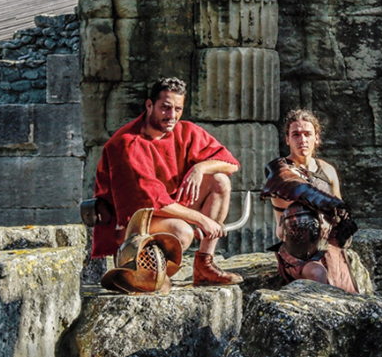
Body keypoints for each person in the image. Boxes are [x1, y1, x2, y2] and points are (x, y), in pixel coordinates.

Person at [90, 77, 243, 286]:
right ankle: (149, 272)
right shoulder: (126, 143)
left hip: (168, 208)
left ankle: (204, 264)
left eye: (178, 109)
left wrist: (200, 168)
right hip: (132, 221)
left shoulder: (187, 131)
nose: (172, 116)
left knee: (219, 180)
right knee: (182, 231)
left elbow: (231, 164)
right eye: (165, 108)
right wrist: (202, 219)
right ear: (149, 105)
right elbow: (149, 200)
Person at [262, 109, 358, 293]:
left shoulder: (327, 170)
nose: (302, 140)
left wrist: (343, 222)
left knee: (346, 292)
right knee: (317, 274)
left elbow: (340, 210)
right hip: (298, 251)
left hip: (327, 246)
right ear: (287, 139)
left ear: (316, 138)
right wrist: (331, 206)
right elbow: (297, 190)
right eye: (296, 134)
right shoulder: (280, 170)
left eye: (307, 134)